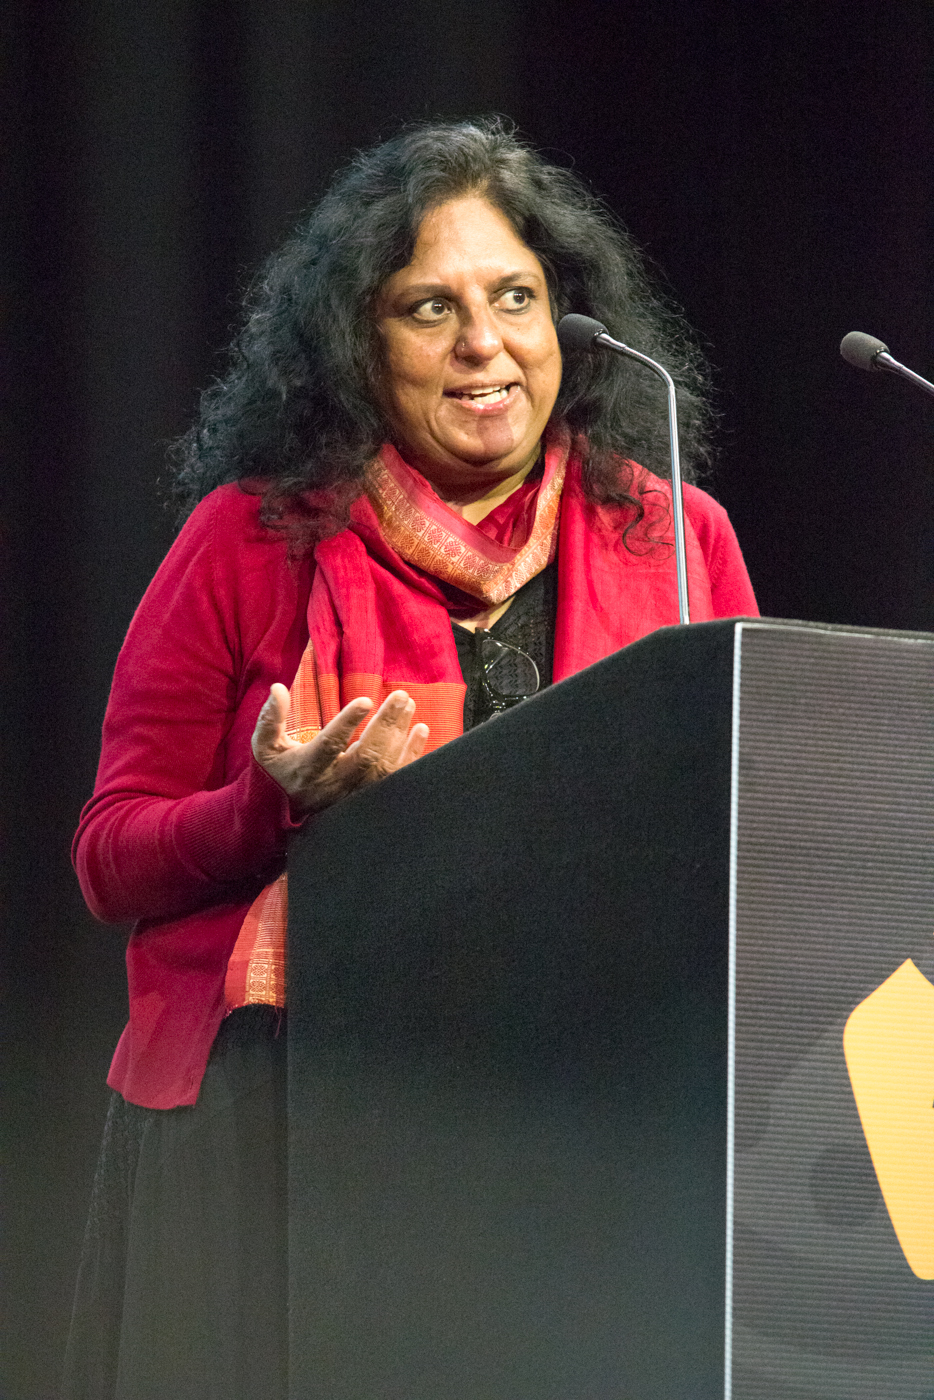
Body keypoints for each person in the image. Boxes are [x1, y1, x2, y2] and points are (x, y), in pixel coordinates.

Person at [62, 118, 758, 1398]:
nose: (484, 343)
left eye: (515, 298)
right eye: (430, 308)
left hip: (599, 1123)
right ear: (357, 340)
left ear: (568, 321)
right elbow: (110, 854)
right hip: (284, 1126)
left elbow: (758, 810)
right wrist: (265, 809)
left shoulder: (672, 537)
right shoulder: (251, 540)